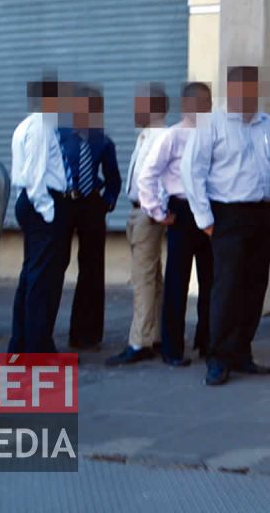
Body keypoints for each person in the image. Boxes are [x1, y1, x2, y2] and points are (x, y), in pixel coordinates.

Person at [182, 66, 270, 386]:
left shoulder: (268, 124)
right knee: (227, 288)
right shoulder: (212, 123)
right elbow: (192, 171)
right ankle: (218, 357)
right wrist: (205, 219)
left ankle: (242, 352)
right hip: (227, 215)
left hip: (260, 215)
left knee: (255, 286)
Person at [140, 81, 215, 366]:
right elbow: (148, 174)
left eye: (208, 103)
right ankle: (172, 349)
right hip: (181, 212)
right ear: (186, 105)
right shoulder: (171, 136)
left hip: (209, 211)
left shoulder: (213, 135)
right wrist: (157, 212)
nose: (205, 108)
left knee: (211, 281)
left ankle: (207, 341)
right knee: (177, 282)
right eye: (200, 103)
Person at [8, 77, 76, 354]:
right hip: (44, 204)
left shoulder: (26, 125)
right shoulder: (41, 127)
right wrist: (48, 213)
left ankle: (22, 345)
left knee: (32, 276)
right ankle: (37, 349)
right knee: (42, 280)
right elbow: (35, 175)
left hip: (33, 203)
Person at [106, 83, 170, 366]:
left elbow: (163, 178)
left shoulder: (162, 138)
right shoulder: (145, 136)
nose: (134, 110)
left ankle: (139, 341)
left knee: (142, 278)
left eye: (139, 105)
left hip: (147, 212)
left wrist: (156, 211)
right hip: (139, 212)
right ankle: (153, 335)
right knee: (152, 277)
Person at [61, 84, 121, 351]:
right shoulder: (59, 137)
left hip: (91, 206)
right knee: (56, 265)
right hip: (64, 203)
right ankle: (41, 335)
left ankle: (87, 335)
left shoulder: (103, 142)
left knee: (92, 269)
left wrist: (106, 203)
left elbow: (113, 179)